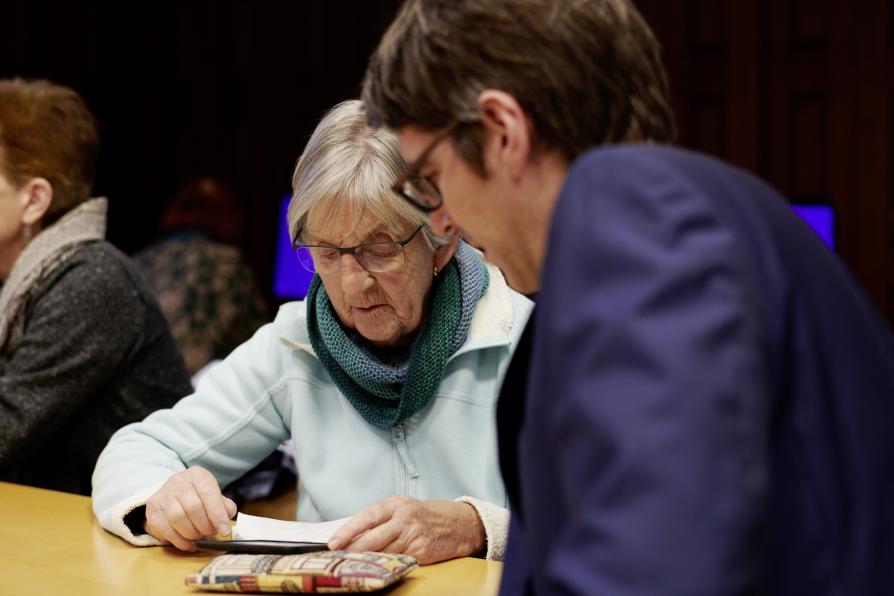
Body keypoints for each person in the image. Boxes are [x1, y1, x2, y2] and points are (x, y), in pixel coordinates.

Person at [361, 1, 894, 594]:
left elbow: (648, 572)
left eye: (429, 182)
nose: (443, 220)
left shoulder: (634, 212)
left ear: (503, 131)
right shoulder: (679, 216)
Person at [92, 99, 532, 565]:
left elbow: (606, 523)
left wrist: (476, 528)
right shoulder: (296, 341)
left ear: (442, 241)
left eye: (379, 250)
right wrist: (165, 496)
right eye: (326, 252)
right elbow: (135, 450)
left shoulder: (522, 338)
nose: (351, 284)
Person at [0, 78, 192, 495]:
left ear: (33, 200)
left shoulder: (92, 278)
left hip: (140, 540)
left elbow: (6, 430)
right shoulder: (19, 283)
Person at [135, 176, 270, 378]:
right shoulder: (229, 264)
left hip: (140, 394)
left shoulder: (135, 262)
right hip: (196, 394)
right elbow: (264, 345)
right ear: (227, 215)